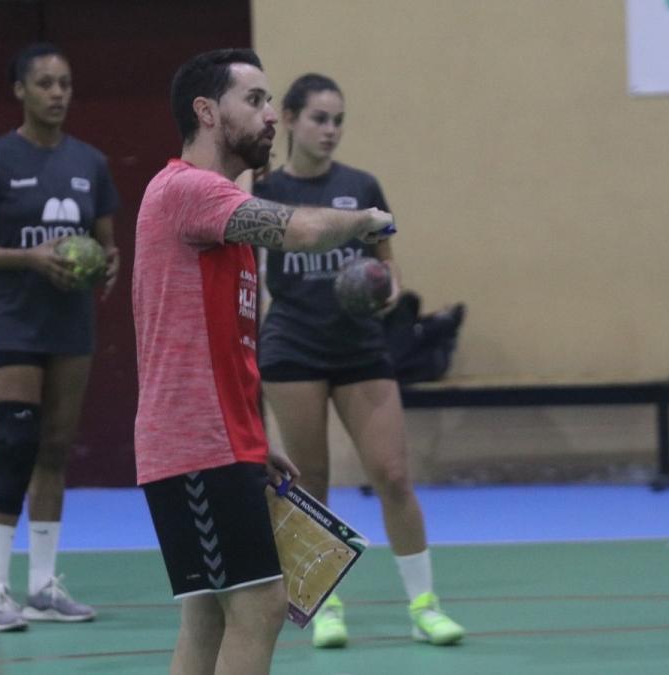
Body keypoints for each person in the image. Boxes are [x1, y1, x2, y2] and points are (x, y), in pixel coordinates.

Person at [132, 49, 393, 675]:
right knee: (260, 605)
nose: (271, 115)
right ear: (207, 112)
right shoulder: (188, 189)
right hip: (196, 443)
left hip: (220, 440)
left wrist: (253, 438)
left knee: (209, 614)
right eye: (254, 101)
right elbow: (300, 230)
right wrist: (364, 220)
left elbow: (223, 344)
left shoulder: (213, 210)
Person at [252, 73, 465, 648]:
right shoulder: (265, 190)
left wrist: (389, 287)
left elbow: (388, 263)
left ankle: (424, 606)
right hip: (292, 348)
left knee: (392, 475)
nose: (331, 130)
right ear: (290, 120)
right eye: (320, 118)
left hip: (361, 348)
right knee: (310, 480)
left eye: (339, 120)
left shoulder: (362, 185)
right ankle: (327, 606)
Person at [0, 42, 120, 632]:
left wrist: (108, 261)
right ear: (20, 89)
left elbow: (105, 241)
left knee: (54, 446)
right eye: (45, 83)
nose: (57, 93)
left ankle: (44, 584)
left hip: (71, 324)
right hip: (14, 320)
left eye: (65, 83)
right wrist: (30, 258)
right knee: (13, 441)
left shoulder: (90, 163)